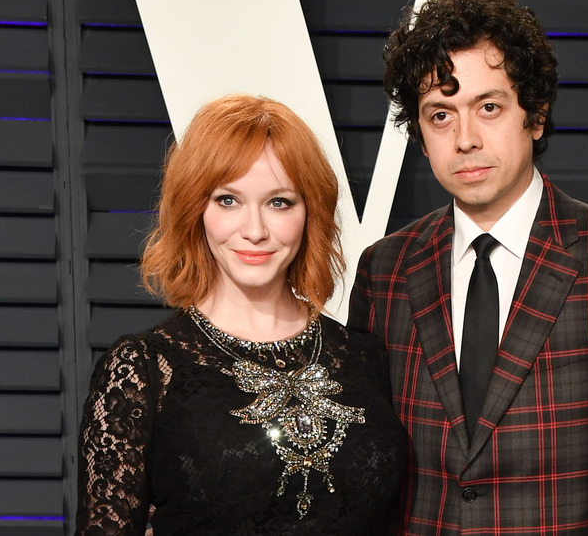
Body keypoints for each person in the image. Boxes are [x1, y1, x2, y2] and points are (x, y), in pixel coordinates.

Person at [348, 0, 588, 534]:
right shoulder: (385, 270)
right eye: (440, 114)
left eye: (488, 107)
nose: (465, 138)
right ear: (420, 131)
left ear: (534, 116)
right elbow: (367, 479)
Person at [76, 94, 408, 534]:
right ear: (196, 210)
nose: (254, 230)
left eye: (280, 202)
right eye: (228, 200)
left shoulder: (364, 355)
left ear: (311, 213)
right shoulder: (144, 370)